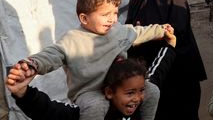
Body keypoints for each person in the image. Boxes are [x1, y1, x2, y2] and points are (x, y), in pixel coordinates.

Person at [12, 0, 167, 120]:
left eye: (115, 13)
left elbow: (137, 32)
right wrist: (32, 64)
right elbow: (52, 54)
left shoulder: (117, 30)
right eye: (106, 15)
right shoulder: (72, 40)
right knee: (96, 106)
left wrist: (161, 30)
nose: (112, 19)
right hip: (89, 92)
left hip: (119, 86)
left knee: (152, 91)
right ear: (84, 18)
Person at [6, 30, 178, 120]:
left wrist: (170, 46)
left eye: (140, 90)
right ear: (110, 92)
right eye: (130, 93)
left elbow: (159, 70)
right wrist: (23, 93)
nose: (137, 98)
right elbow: (49, 112)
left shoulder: (143, 99)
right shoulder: (92, 110)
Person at [126, 0, 207, 120]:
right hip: (152, 69)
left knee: (182, 111)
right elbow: (129, 28)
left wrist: (151, 35)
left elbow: (178, 32)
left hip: (177, 68)